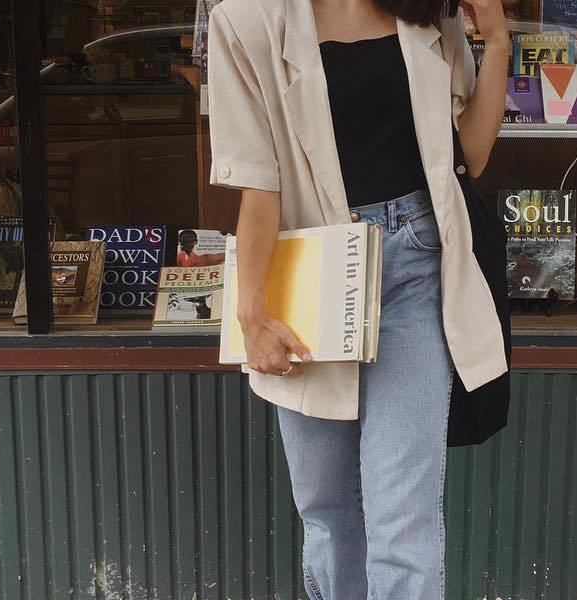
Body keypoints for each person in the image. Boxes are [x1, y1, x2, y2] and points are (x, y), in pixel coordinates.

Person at [207, 0, 509, 598]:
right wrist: (252, 314)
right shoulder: (247, 21)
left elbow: (465, 159)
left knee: (405, 517)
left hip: (417, 265)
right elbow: (258, 184)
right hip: (313, 272)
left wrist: (496, 44)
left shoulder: (426, 12)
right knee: (327, 508)